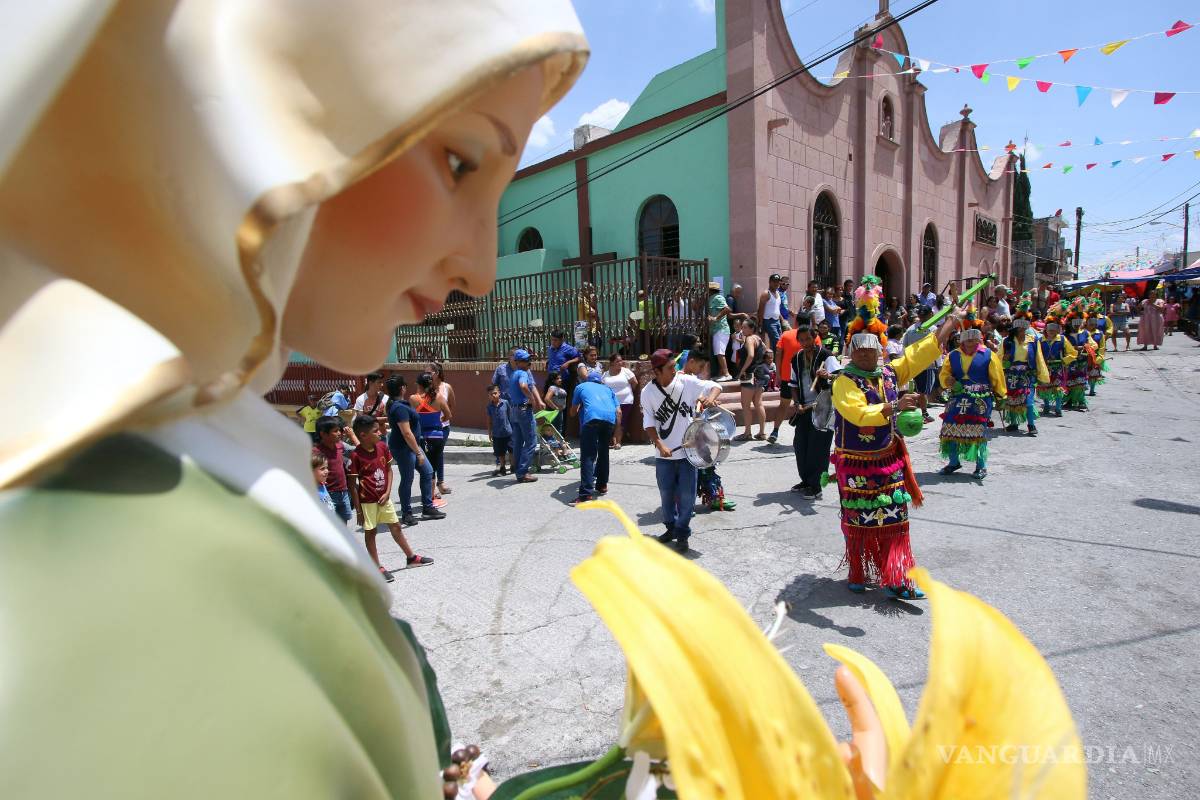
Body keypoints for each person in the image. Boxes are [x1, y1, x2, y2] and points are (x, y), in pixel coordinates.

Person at [831, 311, 961, 599]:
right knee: (857, 519)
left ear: (879, 352)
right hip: (855, 463)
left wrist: (950, 324)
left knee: (894, 520)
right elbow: (856, 412)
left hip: (888, 458)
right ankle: (858, 569)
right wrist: (893, 406)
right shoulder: (844, 381)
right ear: (852, 353)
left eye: (871, 351)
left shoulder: (888, 372)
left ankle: (896, 578)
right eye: (860, 352)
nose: (866, 356)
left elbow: (918, 355)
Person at [641, 349, 722, 554]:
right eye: (670, 368)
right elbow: (649, 422)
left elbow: (714, 386)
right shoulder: (647, 393)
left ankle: (682, 534)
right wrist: (660, 445)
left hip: (688, 453)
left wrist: (711, 397)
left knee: (687, 497)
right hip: (664, 455)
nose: (675, 370)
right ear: (657, 372)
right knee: (666, 495)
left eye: (675, 366)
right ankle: (671, 528)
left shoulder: (685, 382)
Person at [349, 416, 434, 582]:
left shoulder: (382, 447)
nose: (380, 433)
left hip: (384, 499)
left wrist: (387, 492)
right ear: (363, 435)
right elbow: (352, 485)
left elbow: (389, 470)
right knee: (371, 532)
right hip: (367, 502)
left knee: (396, 526)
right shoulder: (356, 456)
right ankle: (376, 567)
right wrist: (359, 511)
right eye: (375, 431)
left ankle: (411, 558)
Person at [938, 327, 1006, 480]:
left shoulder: (989, 355)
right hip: (957, 397)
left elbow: (997, 377)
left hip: (980, 399)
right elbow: (944, 374)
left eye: (973, 340)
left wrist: (1001, 396)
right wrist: (948, 381)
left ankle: (981, 466)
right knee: (950, 429)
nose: (970, 344)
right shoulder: (953, 355)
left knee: (978, 432)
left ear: (979, 340)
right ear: (961, 341)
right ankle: (954, 462)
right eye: (967, 341)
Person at [789, 325, 839, 498]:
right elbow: (793, 385)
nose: (805, 343)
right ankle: (806, 480)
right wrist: (796, 403)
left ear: (814, 338)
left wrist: (828, 376)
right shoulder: (796, 359)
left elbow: (841, 378)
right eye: (801, 340)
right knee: (801, 446)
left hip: (823, 408)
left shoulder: (826, 356)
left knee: (818, 448)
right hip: (804, 409)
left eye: (808, 339)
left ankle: (816, 486)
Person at [385, 376, 443, 525]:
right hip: (405, 448)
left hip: (412, 446)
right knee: (407, 479)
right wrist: (418, 452)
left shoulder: (399, 404)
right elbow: (406, 433)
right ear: (402, 388)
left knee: (428, 472)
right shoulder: (399, 407)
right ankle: (407, 513)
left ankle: (428, 507)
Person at [569, 370, 619, 504]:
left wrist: (576, 412)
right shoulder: (608, 389)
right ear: (600, 381)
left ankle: (586, 494)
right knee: (603, 452)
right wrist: (615, 431)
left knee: (588, 455)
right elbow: (618, 411)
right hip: (610, 420)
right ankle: (602, 485)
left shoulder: (581, 387)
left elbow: (573, 411)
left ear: (588, 380)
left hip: (592, 419)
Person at [1001, 319, 1048, 436]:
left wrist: (1042, 375)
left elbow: (1039, 358)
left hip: (1027, 374)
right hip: (1011, 375)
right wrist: (1004, 360)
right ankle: (1013, 423)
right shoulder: (1007, 342)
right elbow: (998, 358)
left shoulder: (1033, 341)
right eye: (1020, 329)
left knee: (1029, 400)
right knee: (1012, 398)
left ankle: (1031, 425)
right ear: (1015, 330)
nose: (1022, 331)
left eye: (1024, 329)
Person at [507, 349, 543, 484]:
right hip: (523, 410)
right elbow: (523, 386)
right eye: (526, 360)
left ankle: (518, 470)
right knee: (531, 442)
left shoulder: (514, 373)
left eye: (529, 359)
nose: (529, 362)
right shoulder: (523, 373)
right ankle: (522, 472)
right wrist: (532, 398)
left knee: (518, 443)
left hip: (515, 410)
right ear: (518, 362)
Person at [414, 372, 451, 499]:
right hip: (437, 436)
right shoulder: (439, 397)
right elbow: (448, 415)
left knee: (425, 468)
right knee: (434, 467)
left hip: (422, 437)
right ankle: (432, 494)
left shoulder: (414, 399)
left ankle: (429, 494)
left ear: (419, 385)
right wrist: (439, 421)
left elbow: (412, 417)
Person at [314, 416, 355, 526]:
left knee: (343, 523)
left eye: (340, 430)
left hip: (343, 492)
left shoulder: (340, 446)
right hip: (327, 494)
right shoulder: (316, 452)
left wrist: (352, 436)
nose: (339, 433)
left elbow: (360, 450)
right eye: (335, 431)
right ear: (323, 434)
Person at [901, 307, 938, 423]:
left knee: (917, 389)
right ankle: (924, 413)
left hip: (913, 363)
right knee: (923, 391)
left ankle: (915, 412)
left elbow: (905, 346)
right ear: (931, 314)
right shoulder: (932, 328)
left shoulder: (910, 329)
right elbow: (937, 346)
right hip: (928, 364)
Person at [734, 319, 769, 440]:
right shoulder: (758, 338)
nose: (742, 330)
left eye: (744, 328)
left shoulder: (749, 339)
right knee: (758, 403)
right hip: (759, 373)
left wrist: (743, 370)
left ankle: (747, 432)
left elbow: (751, 355)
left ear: (751, 329)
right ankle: (762, 432)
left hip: (750, 374)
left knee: (745, 404)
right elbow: (765, 349)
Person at [768, 323, 803, 444]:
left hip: (787, 376)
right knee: (803, 405)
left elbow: (778, 353)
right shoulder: (812, 335)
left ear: (796, 322)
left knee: (783, 404)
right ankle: (800, 435)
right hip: (803, 378)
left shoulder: (786, 334)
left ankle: (775, 431)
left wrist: (778, 373)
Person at [1037, 321, 1077, 417]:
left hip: (1058, 368)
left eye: (1053, 330)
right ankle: (1046, 405)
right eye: (1049, 330)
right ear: (1046, 330)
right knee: (1044, 387)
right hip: (1044, 368)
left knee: (1058, 388)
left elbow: (1073, 353)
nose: (1051, 332)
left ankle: (1058, 408)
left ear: (1057, 331)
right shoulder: (1040, 340)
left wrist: (1064, 360)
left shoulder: (1062, 339)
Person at [426, 362, 455, 495]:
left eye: (429, 372)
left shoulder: (446, 387)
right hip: (428, 427)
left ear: (437, 373)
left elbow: (451, 404)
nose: (426, 375)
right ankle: (434, 484)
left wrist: (445, 417)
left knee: (438, 453)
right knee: (432, 455)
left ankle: (440, 482)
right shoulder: (425, 388)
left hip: (443, 427)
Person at [602, 352, 639, 449]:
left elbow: (634, 383)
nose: (620, 362)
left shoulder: (626, 371)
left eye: (621, 360)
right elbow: (602, 387)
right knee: (612, 421)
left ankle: (618, 442)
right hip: (610, 402)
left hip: (625, 401)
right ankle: (613, 441)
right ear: (612, 363)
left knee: (621, 422)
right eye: (617, 361)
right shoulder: (605, 374)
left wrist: (628, 392)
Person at [707, 281, 734, 380]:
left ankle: (727, 374)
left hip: (721, 329)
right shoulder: (710, 299)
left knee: (719, 352)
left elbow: (727, 309)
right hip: (716, 330)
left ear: (710, 290)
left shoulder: (718, 297)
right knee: (718, 352)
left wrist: (716, 318)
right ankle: (722, 374)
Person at [1063, 317, 1092, 412]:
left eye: (1078, 322)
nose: (1076, 325)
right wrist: (1075, 348)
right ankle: (1070, 400)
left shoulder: (1085, 333)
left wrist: (1086, 346)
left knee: (1080, 381)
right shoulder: (1064, 335)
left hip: (1082, 360)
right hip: (1070, 361)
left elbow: (1092, 344)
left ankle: (1081, 401)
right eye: (1074, 322)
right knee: (1070, 381)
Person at [485, 384, 513, 476]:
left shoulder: (505, 403)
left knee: (511, 451)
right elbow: (489, 421)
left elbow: (510, 417)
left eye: (495, 393)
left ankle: (513, 466)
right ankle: (502, 468)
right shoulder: (489, 407)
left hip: (508, 432)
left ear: (499, 393)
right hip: (497, 434)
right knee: (500, 453)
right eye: (490, 394)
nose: (493, 395)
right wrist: (490, 433)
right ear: (488, 396)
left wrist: (513, 429)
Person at [757, 273, 785, 349]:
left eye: (778, 281)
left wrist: (782, 321)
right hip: (769, 321)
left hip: (777, 321)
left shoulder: (778, 293)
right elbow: (760, 309)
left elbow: (777, 309)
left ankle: (775, 359)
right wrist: (760, 324)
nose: (776, 283)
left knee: (780, 342)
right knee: (777, 342)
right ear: (770, 282)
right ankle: (776, 359)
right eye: (774, 281)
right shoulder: (766, 294)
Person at [1085, 317, 1107, 397]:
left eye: (1094, 324)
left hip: (1095, 356)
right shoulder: (1083, 333)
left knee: (1093, 373)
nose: (1092, 326)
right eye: (1091, 324)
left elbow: (1102, 346)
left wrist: (1100, 356)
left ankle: (1092, 389)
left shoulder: (1100, 333)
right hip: (1084, 356)